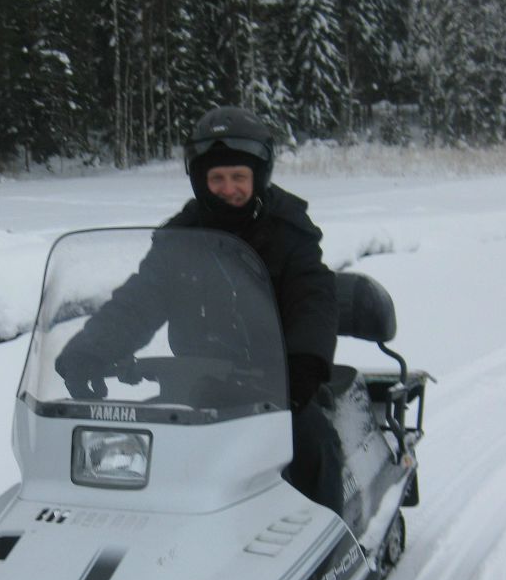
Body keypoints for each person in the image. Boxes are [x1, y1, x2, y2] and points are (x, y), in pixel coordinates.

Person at [56, 106, 344, 514]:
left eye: (238, 177)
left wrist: (304, 364)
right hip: (195, 379)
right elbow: (139, 300)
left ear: (257, 177)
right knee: (125, 453)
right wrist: (90, 351)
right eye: (217, 178)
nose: (228, 188)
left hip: (276, 384)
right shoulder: (181, 237)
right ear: (200, 180)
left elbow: (313, 295)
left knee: (312, 443)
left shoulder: (287, 229)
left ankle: (332, 541)